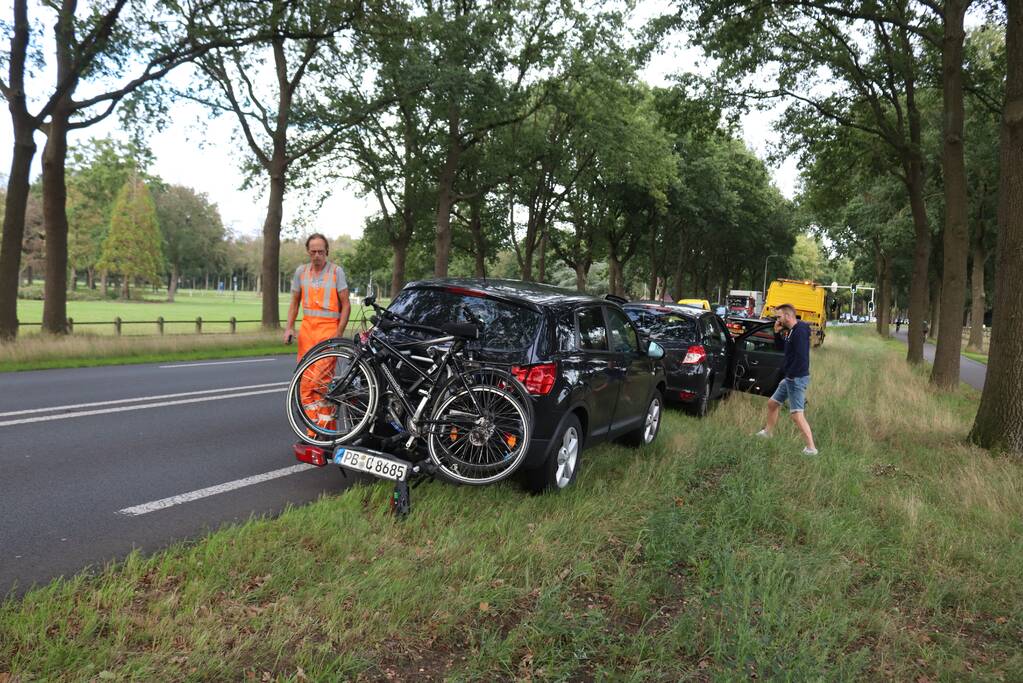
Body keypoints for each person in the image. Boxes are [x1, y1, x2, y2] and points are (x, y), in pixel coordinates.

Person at [283, 233, 352, 434]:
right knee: (304, 384)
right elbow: (294, 303)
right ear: (308, 252)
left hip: (328, 331)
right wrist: (289, 328)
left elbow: (346, 305)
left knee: (318, 385)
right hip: (307, 333)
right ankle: (322, 429)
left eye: (320, 251)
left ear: (327, 251)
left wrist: (338, 333)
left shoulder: (336, 272)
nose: (317, 255)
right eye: (313, 251)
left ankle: (316, 432)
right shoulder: (301, 272)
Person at [756, 303, 818, 455]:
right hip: (790, 378)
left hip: (796, 379)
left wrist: (792, 375)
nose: (777, 319)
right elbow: (781, 348)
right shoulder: (791, 332)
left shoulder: (800, 330)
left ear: (788, 316)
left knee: (796, 415)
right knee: (772, 404)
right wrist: (776, 333)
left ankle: (811, 448)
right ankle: (768, 432)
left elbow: (802, 357)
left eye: (779, 317)